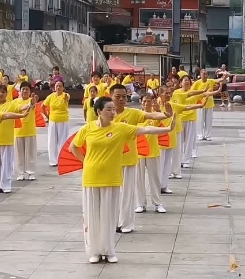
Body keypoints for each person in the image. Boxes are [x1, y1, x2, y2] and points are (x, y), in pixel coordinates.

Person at [69, 96, 176, 264]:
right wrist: (85, 162)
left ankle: (109, 250)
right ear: (99, 111)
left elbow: (146, 130)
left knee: (110, 215)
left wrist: (169, 126)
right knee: (92, 215)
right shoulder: (87, 128)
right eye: (109, 109)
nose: (113, 112)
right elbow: (73, 147)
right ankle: (95, 251)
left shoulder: (121, 128)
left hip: (112, 178)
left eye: (113, 109)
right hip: (91, 177)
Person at [109, 84, 173, 234]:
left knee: (127, 193)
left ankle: (126, 223)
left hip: (130, 158)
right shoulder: (107, 114)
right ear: (110, 96)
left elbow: (151, 116)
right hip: (112, 159)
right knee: (112, 194)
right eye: (117, 96)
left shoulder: (132, 113)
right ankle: (113, 221)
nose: (121, 99)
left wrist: (165, 114)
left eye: (124, 96)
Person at [0, 89, 31, 211]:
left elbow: (11, 112)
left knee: (4, 164)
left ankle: (5, 185)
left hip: (4, 140)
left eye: (2, 92)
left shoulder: (7, 105)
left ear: (6, 94)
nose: (0, 94)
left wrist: (26, 109)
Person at [135, 94, 167, 214]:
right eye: (144, 101)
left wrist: (159, 110)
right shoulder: (136, 116)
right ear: (141, 102)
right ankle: (140, 203)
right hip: (138, 152)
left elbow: (164, 118)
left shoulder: (155, 115)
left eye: (148, 101)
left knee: (154, 178)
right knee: (139, 179)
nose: (146, 103)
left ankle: (157, 203)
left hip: (152, 151)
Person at [13, 82, 39, 181]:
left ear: (29, 91)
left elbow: (32, 105)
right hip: (18, 131)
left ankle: (31, 172)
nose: (25, 91)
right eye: (23, 89)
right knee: (19, 153)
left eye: (27, 89)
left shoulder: (32, 100)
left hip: (30, 131)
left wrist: (32, 103)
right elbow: (17, 109)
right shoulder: (15, 102)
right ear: (20, 91)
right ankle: (20, 172)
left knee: (30, 152)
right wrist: (29, 104)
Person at [42, 81, 70, 167]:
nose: (58, 87)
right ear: (54, 87)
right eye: (57, 86)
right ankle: (53, 161)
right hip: (53, 120)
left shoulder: (65, 95)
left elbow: (67, 98)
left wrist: (65, 98)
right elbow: (42, 106)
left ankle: (62, 159)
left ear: (63, 88)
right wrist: (47, 116)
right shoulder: (50, 96)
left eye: (60, 86)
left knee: (63, 140)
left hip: (63, 120)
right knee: (52, 140)